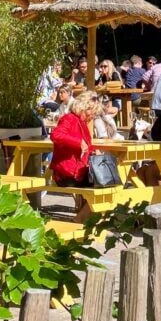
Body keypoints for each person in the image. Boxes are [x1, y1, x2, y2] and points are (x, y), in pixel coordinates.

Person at [50, 91, 100, 222]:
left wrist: (93, 151)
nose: (93, 116)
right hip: (66, 173)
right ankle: (80, 220)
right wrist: (78, 142)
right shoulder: (69, 119)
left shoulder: (81, 123)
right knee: (105, 184)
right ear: (85, 108)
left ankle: (82, 218)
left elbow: (85, 147)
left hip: (76, 171)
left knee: (105, 183)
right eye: (92, 112)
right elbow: (56, 135)